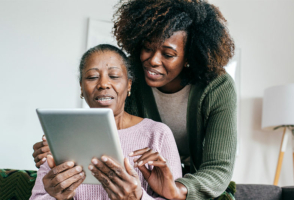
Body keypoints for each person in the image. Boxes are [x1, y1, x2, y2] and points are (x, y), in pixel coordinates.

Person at [32, 0, 237, 199]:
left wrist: (177, 190)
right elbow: (115, 130)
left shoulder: (217, 87)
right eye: (148, 48)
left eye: (168, 54)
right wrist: (57, 149)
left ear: (189, 58)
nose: (153, 61)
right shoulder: (132, 77)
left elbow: (218, 167)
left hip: (192, 183)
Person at [30, 44, 182, 200]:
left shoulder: (158, 134)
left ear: (129, 84)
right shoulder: (60, 136)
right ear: (81, 87)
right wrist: (55, 197)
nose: (103, 84)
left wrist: (138, 198)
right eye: (92, 77)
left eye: (114, 76)